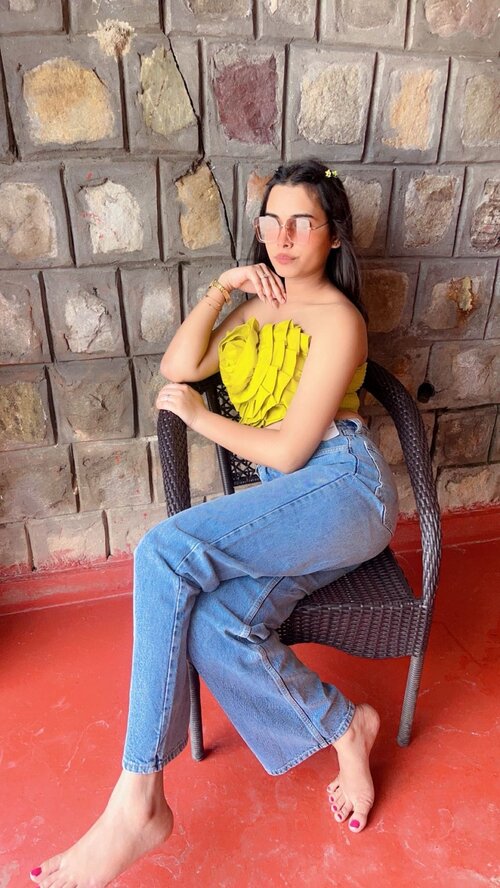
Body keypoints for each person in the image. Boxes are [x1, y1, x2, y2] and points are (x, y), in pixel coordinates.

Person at [30, 158, 398, 888]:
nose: (282, 237)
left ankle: (138, 800)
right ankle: (346, 726)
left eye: (302, 222)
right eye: (271, 221)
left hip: (344, 486)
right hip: (292, 504)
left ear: (333, 235)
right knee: (212, 624)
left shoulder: (340, 320)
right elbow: (180, 362)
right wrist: (223, 287)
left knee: (164, 552)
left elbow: (290, 450)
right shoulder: (258, 303)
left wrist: (201, 419)